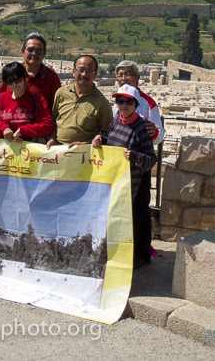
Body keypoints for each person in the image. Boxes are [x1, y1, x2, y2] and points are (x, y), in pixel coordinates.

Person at [92, 84, 156, 269]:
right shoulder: (116, 121)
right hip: (114, 182)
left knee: (129, 223)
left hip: (131, 185)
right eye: (120, 101)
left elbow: (151, 159)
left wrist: (135, 156)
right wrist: (100, 140)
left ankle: (132, 259)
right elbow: (111, 142)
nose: (124, 105)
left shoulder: (142, 127)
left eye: (128, 102)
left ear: (136, 104)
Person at [114, 60, 165, 264]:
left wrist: (154, 132)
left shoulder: (148, 103)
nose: (123, 78)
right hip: (118, 167)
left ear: (137, 78)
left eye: (127, 74)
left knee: (140, 209)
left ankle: (141, 252)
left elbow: (159, 134)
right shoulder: (116, 100)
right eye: (120, 74)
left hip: (139, 167)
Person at [47, 55, 112, 148]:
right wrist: (52, 138)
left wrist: (87, 144)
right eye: (80, 70)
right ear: (74, 72)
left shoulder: (102, 103)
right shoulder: (61, 93)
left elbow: (107, 133)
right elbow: (53, 119)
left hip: (83, 155)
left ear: (95, 75)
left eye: (89, 71)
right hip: (58, 151)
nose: (84, 74)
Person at [0, 62, 54, 142]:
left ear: (24, 78)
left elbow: (48, 126)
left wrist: (23, 131)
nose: (14, 84)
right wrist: (4, 128)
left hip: (30, 150)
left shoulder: (37, 99)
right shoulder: (2, 99)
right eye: (9, 81)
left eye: (17, 79)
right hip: (7, 150)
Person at [0, 32, 60, 111]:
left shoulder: (52, 78)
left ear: (44, 53)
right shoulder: (13, 71)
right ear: (22, 52)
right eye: (30, 50)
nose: (34, 54)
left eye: (38, 51)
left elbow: (55, 108)